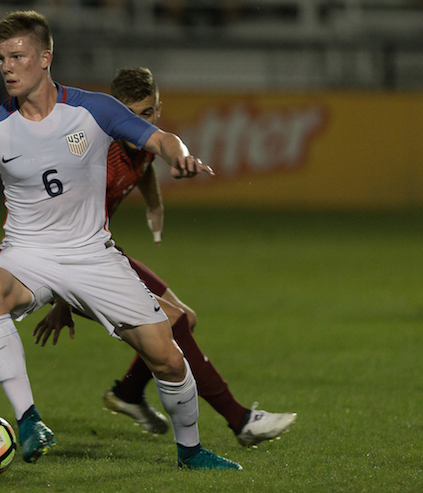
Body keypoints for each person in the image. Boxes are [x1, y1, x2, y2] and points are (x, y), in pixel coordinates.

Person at [0, 10, 241, 471]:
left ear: (45, 58)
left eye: (18, 56)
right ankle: (28, 421)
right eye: (1, 58)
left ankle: (191, 451)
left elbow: (160, 138)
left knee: (167, 358)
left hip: (91, 255)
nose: (7, 66)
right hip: (28, 254)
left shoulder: (93, 109)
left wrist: (182, 156)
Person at [32, 67, 297, 447]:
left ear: (159, 108)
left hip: (96, 250)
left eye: (148, 112)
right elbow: (56, 222)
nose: (140, 122)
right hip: (67, 260)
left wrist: (154, 205)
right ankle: (240, 421)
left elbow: (144, 168)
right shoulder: (93, 152)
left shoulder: (140, 143)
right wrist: (62, 298)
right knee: (172, 321)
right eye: (130, 114)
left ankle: (126, 394)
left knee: (184, 318)